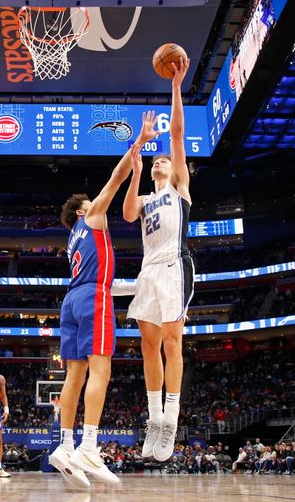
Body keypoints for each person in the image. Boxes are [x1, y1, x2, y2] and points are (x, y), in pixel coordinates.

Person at [48, 116, 157, 489]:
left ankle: (64, 444)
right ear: (82, 210)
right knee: (101, 369)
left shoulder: (72, 240)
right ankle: (89, 446)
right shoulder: (92, 217)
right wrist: (138, 142)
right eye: (90, 201)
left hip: (71, 301)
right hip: (94, 296)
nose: (98, 202)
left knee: (73, 375)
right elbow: (115, 179)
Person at [123, 57, 194, 462]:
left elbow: (179, 135)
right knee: (148, 345)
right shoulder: (148, 196)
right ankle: (154, 419)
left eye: (163, 160)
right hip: (149, 271)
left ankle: (171, 419)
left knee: (171, 342)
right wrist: (136, 167)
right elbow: (128, 213)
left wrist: (177, 86)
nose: (160, 163)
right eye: (157, 161)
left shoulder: (180, 187)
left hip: (175, 266)